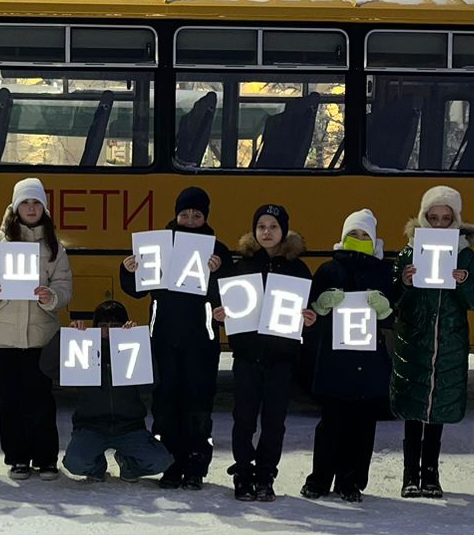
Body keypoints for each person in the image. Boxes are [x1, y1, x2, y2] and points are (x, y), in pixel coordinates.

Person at [118, 186, 228, 490]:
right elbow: (137, 289)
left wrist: (217, 273)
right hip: (163, 340)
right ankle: (170, 463)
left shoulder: (217, 251)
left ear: (205, 217)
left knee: (198, 406)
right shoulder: (158, 245)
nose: (190, 219)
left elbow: (230, 297)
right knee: (165, 405)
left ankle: (196, 464)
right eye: (185, 213)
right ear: (176, 214)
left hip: (201, 344)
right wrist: (128, 271)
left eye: (196, 215)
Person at [0, 178, 73, 480]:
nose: (31, 208)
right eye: (25, 203)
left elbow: (64, 287)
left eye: (36, 203)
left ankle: (46, 458)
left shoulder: (54, 245)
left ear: (44, 207)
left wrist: (50, 297)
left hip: (40, 336)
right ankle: (17, 458)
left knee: (40, 398)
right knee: (11, 399)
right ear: (16, 207)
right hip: (1, 337)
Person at [388, 185, 474, 499]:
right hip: (415, 340)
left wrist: (464, 282)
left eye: (446, 218)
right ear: (423, 218)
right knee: (414, 410)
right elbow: (393, 301)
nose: (440, 224)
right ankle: (409, 475)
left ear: (456, 219)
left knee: (438, 410)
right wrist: (404, 282)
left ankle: (431, 474)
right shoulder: (409, 251)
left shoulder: (465, 254)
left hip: (449, 342)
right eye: (433, 218)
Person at [302, 209, 396, 502]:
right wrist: (320, 305)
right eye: (353, 234)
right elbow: (310, 311)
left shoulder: (384, 271)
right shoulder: (328, 270)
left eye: (364, 234)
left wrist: (385, 309)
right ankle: (319, 479)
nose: (358, 239)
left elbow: (394, 313)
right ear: (343, 237)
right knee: (331, 423)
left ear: (374, 238)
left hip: (369, 363)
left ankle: (351, 481)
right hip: (335, 360)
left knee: (363, 427)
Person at [226, 203, 314, 502]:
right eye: (261, 226)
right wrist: (222, 311)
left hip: (281, 359)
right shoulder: (242, 265)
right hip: (248, 357)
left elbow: (309, 309)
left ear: (284, 231)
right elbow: (226, 299)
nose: (267, 232)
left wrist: (310, 317)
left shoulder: (298, 268)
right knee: (244, 419)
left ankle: (265, 475)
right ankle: (242, 473)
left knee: (275, 421)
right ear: (254, 231)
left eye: (273, 227)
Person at [60, 301, 174, 483]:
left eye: (114, 325)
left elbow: (150, 384)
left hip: (129, 427)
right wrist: (66, 336)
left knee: (161, 461)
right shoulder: (83, 349)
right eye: (103, 325)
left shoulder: (133, 349)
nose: (108, 330)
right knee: (75, 463)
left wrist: (140, 341)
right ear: (95, 327)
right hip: (91, 427)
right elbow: (48, 367)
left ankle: (128, 464)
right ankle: (96, 467)